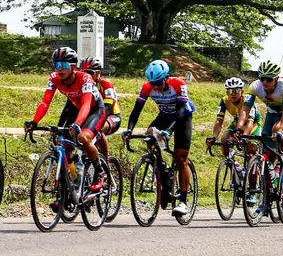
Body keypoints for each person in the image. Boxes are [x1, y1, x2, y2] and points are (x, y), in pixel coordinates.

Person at [24, 47, 108, 192]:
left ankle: (100, 173)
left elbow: (87, 104)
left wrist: (78, 124)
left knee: (83, 137)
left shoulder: (85, 78)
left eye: (63, 66)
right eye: (56, 66)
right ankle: (72, 185)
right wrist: (34, 122)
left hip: (95, 110)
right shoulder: (54, 79)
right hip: (77, 110)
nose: (59, 70)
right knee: (66, 148)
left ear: (74, 67)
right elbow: (45, 102)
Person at [121, 59, 196, 216]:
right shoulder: (147, 87)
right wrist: (129, 129)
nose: (156, 86)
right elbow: (136, 111)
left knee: (181, 158)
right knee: (150, 134)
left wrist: (169, 131)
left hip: (182, 118)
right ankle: (162, 171)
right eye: (152, 82)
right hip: (165, 115)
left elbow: (181, 111)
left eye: (158, 82)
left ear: (166, 77)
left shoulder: (178, 84)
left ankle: (183, 201)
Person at [242, 61, 283, 186]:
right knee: (267, 157)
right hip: (272, 114)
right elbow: (246, 109)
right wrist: (240, 128)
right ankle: (267, 199)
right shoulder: (255, 86)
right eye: (262, 78)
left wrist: (280, 132)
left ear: (277, 79)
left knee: (277, 128)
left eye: (269, 79)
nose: (265, 82)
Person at [207, 77, 261, 161]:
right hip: (237, 124)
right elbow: (219, 121)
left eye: (236, 91)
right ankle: (233, 165)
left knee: (250, 150)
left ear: (242, 92)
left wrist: (244, 137)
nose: (233, 94)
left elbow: (250, 123)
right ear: (227, 92)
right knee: (224, 140)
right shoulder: (224, 101)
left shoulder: (247, 100)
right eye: (230, 91)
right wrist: (214, 137)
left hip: (253, 125)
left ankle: (253, 170)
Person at [79, 57, 120, 161]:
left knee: (98, 129)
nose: (87, 75)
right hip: (95, 114)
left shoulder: (106, 84)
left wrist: (97, 124)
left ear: (98, 73)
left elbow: (106, 108)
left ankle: (105, 161)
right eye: (84, 72)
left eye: (90, 73)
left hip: (111, 116)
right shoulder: (82, 84)